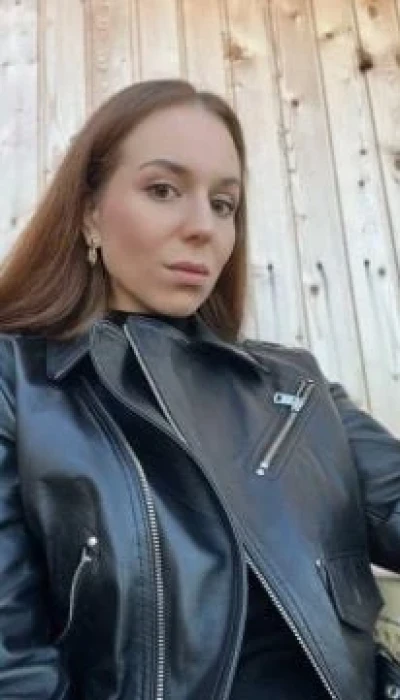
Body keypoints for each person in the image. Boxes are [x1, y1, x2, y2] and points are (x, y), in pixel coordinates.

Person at [0, 78, 399, 700]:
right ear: (89, 213)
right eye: (163, 190)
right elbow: (12, 663)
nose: (203, 228)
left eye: (223, 204)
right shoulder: (19, 383)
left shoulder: (293, 386)